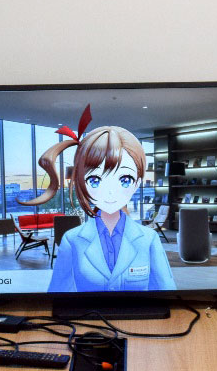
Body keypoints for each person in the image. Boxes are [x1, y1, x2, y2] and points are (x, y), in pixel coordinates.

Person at [21, 107, 176, 292]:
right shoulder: (72, 241)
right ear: (81, 182)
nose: (110, 192)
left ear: (137, 183)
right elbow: (59, 296)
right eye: (94, 180)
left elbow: (167, 294)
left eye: (125, 179)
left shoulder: (149, 240)